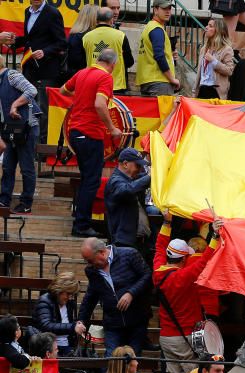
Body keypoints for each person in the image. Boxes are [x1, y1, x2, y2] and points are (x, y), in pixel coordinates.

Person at [155, 211, 222, 373]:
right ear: (184, 258)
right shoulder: (183, 276)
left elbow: (160, 246)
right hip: (184, 336)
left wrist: (167, 222)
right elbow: (205, 260)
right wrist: (215, 235)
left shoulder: (157, 270)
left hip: (166, 337)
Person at [60, 49, 122, 238]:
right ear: (112, 64)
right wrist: (112, 129)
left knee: (87, 179)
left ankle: (80, 222)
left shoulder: (82, 73)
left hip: (75, 133)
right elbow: (99, 104)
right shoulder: (105, 77)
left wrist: (81, 100)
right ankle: (81, 225)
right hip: (90, 133)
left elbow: (63, 90)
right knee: (91, 181)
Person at [0, 0, 66, 142]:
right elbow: (31, 39)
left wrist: (45, 51)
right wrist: (14, 41)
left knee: (42, 109)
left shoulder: (52, 13)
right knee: (28, 106)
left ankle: (40, 146)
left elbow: (61, 43)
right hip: (30, 68)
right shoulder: (27, 11)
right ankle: (28, 141)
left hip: (47, 70)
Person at [79, 237, 151, 355]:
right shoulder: (91, 271)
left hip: (136, 320)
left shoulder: (129, 254)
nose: (89, 264)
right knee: (111, 359)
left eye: (90, 260)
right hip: (113, 323)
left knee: (132, 359)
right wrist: (81, 320)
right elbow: (91, 296)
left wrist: (131, 293)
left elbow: (147, 276)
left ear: (102, 252)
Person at [0, 65, 39, 215]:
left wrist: (15, 105)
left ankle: (26, 203)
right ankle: (4, 199)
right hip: (10, 128)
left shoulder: (11, 75)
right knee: (8, 166)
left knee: (26, 167)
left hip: (27, 126)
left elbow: (32, 90)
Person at [104, 148, 152, 248]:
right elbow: (128, 189)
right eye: (137, 165)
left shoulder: (131, 179)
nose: (139, 169)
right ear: (125, 164)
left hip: (133, 240)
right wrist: (149, 177)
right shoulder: (115, 181)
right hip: (123, 242)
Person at [32, 273, 85, 357]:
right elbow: (46, 326)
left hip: (67, 347)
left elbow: (67, 322)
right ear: (59, 290)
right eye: (67, 294)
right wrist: (72, 327)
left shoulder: (68, 303)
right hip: (49, 348)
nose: (69, 297)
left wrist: (77, 325)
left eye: (71, 295)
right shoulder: (45, 301)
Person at [83, 7, 133, 94]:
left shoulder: (86, 37)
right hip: (116, 86)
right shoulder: (121, 36)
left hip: (92, 84)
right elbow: (129, 62)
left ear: (96, 20)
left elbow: (82, 62)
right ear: (111, 20)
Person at [137, 0, 180, 96]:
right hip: (159, 83)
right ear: (155, 10)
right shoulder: (157, 29)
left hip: (147, 81)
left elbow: (152, 53)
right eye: (164, 8)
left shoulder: (149, 27)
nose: (168, 11)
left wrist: (170, 56)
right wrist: (172, 79)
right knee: (163, 111)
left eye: (169, 8)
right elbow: (159, 56)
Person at [66, 5, 99, 78]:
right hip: (83, 77)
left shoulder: (74, 35)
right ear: (93, 18)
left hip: (75, 76)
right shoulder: (86, 36)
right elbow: (77, 61)